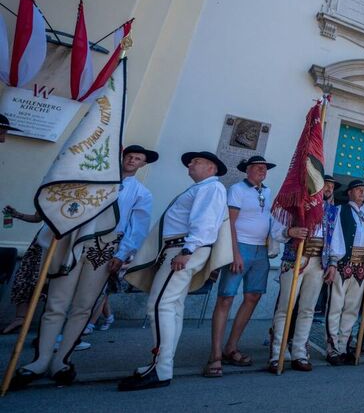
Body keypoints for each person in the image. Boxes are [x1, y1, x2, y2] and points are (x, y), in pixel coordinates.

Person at [10, 144, 157, 390]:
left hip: (106, 249)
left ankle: (62, 360)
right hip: (72, 242)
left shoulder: (142, 193)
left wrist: (122, 254)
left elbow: (138, 227)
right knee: (56, 302)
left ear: (143, 165)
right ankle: (40, 360)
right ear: (122, 158)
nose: (132, 160)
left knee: (83, 306)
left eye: (138, 159)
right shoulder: (92, 180)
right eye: (130, 156)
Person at [119, 151, 231, 391]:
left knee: (160, 305)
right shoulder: (204, 188)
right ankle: (162, 365)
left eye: (196, 161)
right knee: (173, 307)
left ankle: (160, 369)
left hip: (183, 249)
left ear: (211, 168)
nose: (190, 164)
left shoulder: (211, 188)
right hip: (180, 248)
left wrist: (188, 249)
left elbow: (205, 222)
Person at [205, 156, 280, 377]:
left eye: (265, 168)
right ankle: (215, 354)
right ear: (247, 170)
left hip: (260, 251)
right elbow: (230, 222)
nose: (262, 171)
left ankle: (231, 346)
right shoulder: (237, 189)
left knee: (253, 297)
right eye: (258, 168)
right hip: (241, 248)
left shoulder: (266, 192)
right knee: (226, 297)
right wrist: (234, 252)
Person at [267, 173, 339, 373]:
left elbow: (335, 240)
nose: (328, 189)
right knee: (285, 308)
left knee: (308, 309)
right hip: (294, 260)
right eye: (325, 185)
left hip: (318, 263)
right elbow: (276, 230)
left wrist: (332, 263)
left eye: (331, 187)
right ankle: (277, 352)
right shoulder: (297, 204)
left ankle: (299, 351)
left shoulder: (332, 211)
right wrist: (290, 232)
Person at [325, 179, 364, 365]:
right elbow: (334, 236)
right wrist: (333, 261)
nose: (362, 192)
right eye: (358, 190)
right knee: (335, 305)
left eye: (363, 190)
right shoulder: (340, 210)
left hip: (361, 265)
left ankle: (344, 346)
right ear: (349, 193)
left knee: (352, 308)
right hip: (343, 262)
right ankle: (332, 348)